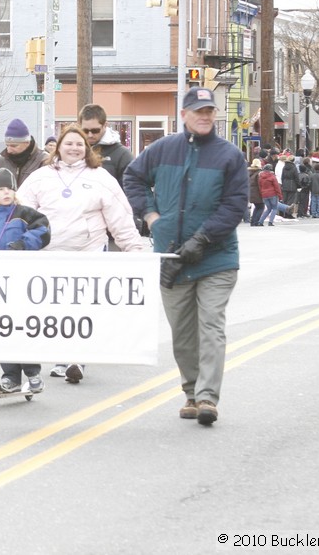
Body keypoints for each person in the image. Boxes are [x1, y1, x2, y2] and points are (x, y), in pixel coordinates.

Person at [123, 86, 248, 426]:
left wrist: (204, 238)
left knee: (211, 326)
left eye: (209, 111)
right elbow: (132, 178)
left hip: (216, 258)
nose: (205, 116)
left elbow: (235, 205)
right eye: (198, 111)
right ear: (184, 115)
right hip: (171, 259)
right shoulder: (162, 149)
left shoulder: (229, 156)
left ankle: (208, 397)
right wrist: (151, 218)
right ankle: (191, 392)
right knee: (183, 333)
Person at [18, 125, 145, 383]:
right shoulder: (41, 177)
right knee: (56, 310)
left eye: (79, 144)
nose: (74, 148)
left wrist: (136, 251)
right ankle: (62, 356)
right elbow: (20, 213)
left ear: (86, 149)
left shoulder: (100, 178)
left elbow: (120, 218)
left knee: (82, 308)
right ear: (58, 148)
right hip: (50, 253)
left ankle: (77, 358)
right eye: (69, 143)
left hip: (88, 254)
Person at [0, 168, 51, 393]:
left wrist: (23, 244)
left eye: (9, 188)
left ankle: (33, 373)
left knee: (22, 326)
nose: (6, 192)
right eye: (0, 189)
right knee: (1, 328)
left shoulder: (25, 214)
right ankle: (11, 377)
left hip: (21, 279)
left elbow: (43, 230)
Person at [0, 118, 48, 222]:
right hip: (2, 223)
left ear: (27, 142)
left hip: (33, 223)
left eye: (14, 145)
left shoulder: (44, 161)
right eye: (7, 145)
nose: (9, 150)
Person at [78, 103, 133, 184]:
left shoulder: (122, 155)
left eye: (95, 130)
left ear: (105, 125)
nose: (90, 135)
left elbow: (131, 188)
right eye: (85, 131)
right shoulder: (73, 151)